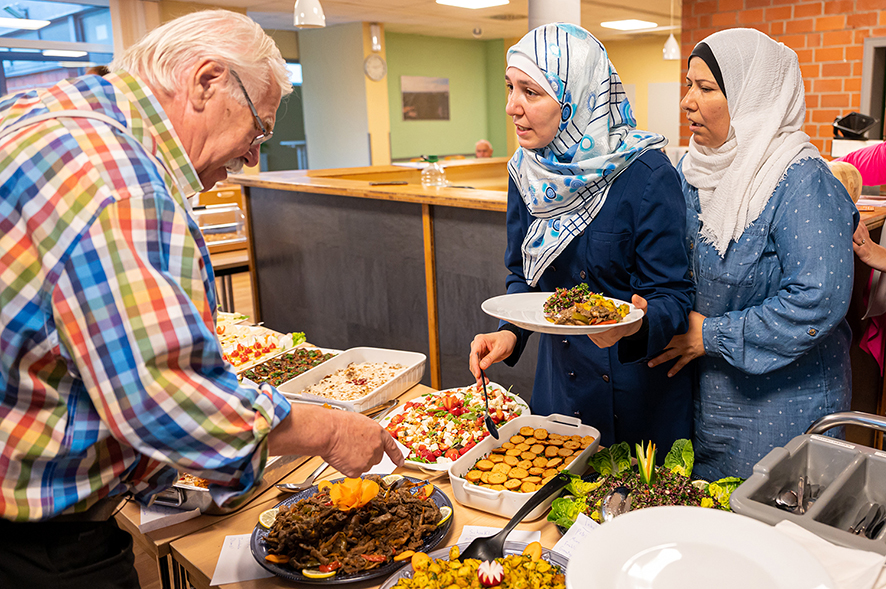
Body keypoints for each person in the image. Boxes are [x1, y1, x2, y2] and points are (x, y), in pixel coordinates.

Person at [0, 10, 401, 588]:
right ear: (206, 82)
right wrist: (331, 431)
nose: (253, 157)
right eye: (258, 130)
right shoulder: (120, 184)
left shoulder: (47, 114)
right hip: (39, 548)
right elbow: (166, 401)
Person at [468, 23, 694, 451]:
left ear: (576, 99)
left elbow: (675, 295)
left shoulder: (646, 174)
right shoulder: (527, 172)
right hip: (560, 392)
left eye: (530, 92)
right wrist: (509, 332)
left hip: (636, 398)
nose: (511, 106)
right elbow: (523, 277)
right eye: (510, 87)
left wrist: (634, 326)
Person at [649, 28, 857, 481]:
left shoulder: (800, 180)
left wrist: (713, 336)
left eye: (706, 88)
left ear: (754, 98)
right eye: (689, 85)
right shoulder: (693, 172)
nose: (687, 101)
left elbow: (818, 299)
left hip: (782, 408)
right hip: (708, 400)